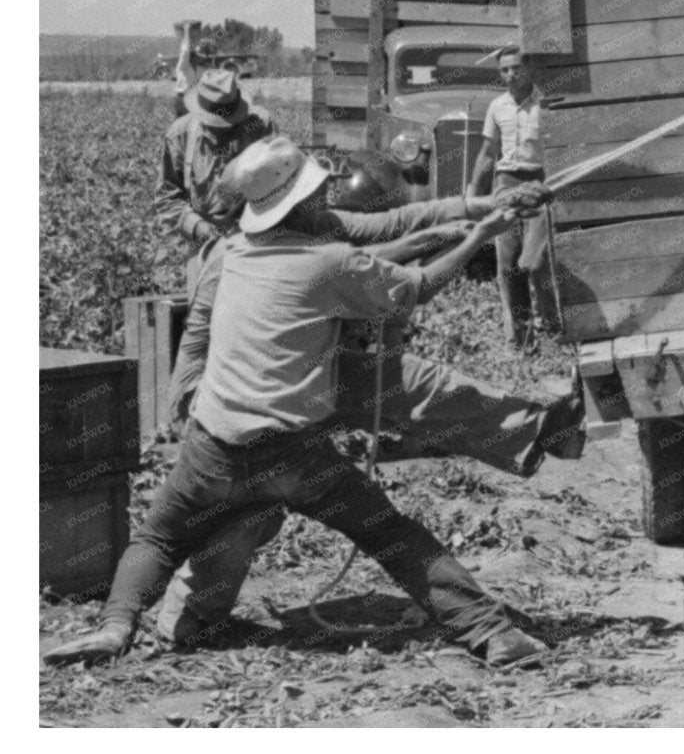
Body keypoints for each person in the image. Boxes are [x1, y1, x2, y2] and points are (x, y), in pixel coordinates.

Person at [43, 139, 549, 669]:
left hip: (212, 448)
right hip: (294, 455)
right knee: (389, 533)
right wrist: (479, 238)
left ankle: (114, 627)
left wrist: (453, 225)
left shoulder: (229, 252)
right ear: (302, 203)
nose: (326, 195)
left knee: (159, 536)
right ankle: (494, 635)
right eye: (317, 191)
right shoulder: (327, 261)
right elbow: (416, 287)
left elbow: (386, 238)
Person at [152, 165, 583, 647]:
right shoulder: (230, 255)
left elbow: (400, 222)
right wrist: (447, 242)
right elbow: (354, 270)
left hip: (304, 373)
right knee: (247, 512)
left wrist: (484, 209)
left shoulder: (314, 225)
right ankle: (193, 617)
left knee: (408, 381)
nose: (323, 199)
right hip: (227, 399)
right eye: (312, 192)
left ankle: (538, 428)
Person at [158, 68, 277, 292]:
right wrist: (198, 227)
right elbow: (167, 197)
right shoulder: (180, 135)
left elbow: (282, 183)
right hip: (204, 243)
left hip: (255, 241)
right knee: (203, 316)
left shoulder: (260, 126)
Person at [468, 48, 555, 347]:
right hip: (505, 184)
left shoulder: (546, 103)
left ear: (528, 68)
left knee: (537, 258)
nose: (509, 75)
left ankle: (554, 327)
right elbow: (488, 152)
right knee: (508, 262)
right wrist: (472, 191)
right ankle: (519, 335)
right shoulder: (497, 107)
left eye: (515, 68)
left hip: (538, 184)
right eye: (504, 70)